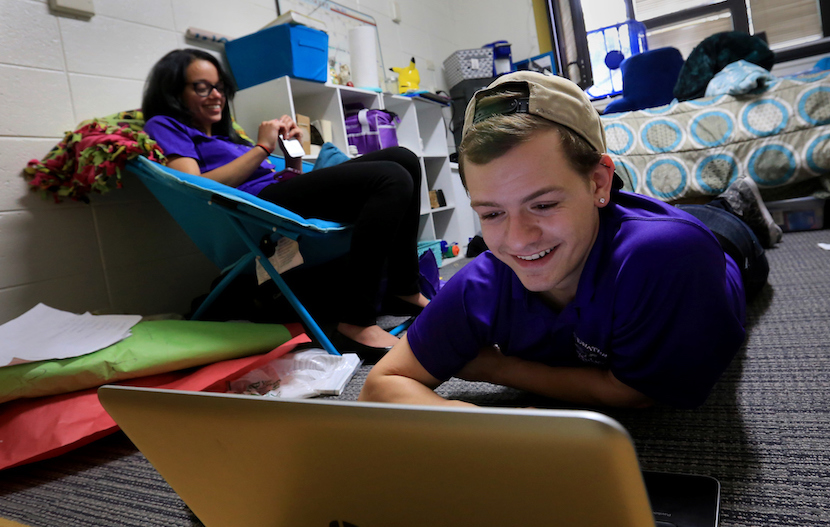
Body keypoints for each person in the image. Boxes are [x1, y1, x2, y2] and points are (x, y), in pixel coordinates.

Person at [359, 71, 772, 409]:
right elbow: (381, 385)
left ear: (598, 182)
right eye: (492, 213)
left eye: (542, 205)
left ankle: (736, 203)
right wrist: (476, 424)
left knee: (726, 221)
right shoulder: (482, 284)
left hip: (726, 244)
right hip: (621, 222)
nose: (518, 240)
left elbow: (643, 394)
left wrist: (497, 369)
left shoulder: (670, 256)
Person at [141, 49, 429, 360]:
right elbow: (195, 185)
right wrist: (263, 147)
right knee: (391, 177)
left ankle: (403, 289)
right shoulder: (165, 125)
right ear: (173, 91)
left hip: (279, 198)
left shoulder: (227, 137)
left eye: (220, 87)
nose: (216, 95)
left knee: (404, 159)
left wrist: (291, 157)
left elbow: (286, 179)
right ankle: (356, 323)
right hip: (255, 211)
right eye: (202, 87)